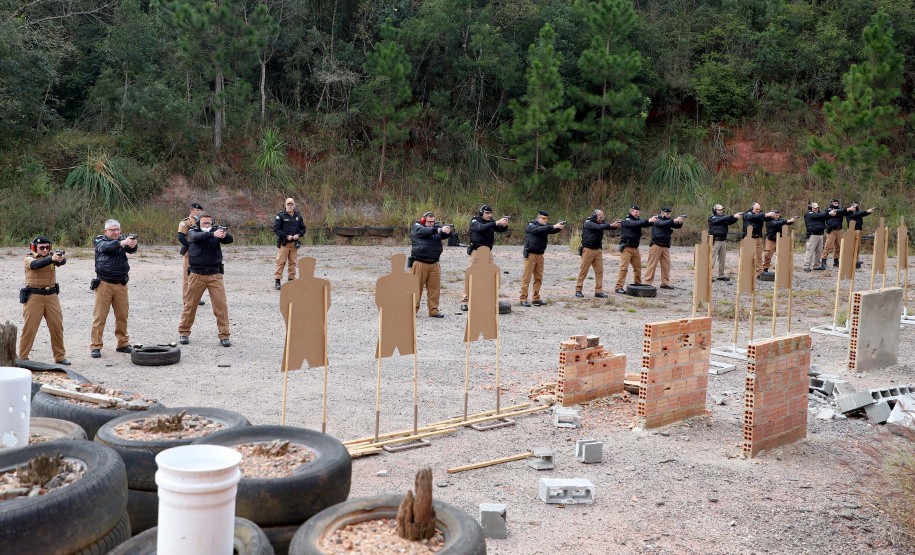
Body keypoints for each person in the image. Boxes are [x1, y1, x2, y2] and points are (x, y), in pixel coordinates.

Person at [178, 215, 233, 346]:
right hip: (197, 274)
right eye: (204, 223)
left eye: (209, 223)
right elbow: (194, 238)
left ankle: (224, 335)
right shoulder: (193, 230)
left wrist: (223, 234)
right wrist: (212, 234)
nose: (207, 225)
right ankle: (184, 332)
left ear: (212, 223)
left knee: (221, 306)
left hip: (215, 274)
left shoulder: (216, 230)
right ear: (199, 223)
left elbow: (229, 239)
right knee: (190, 305)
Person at [91, 219, 137, 358]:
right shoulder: (100, 241)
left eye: (118, 229)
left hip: (121, 284)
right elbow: (107, 247)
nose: (116, 232)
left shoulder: (121, 240)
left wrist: (133, 244)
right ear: (106, 231)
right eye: (112, 230)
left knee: (122, 316)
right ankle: (96, 346)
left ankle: (122, 343)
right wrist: (122, 243)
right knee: (100, 317)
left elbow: (131, 249)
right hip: (104, 284)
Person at [19, 236, 69, 365]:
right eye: (42, 247)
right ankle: (22, 358)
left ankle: (60, 356)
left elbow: (61, 262)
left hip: (52, 296)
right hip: (34, 296)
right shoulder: (29, 258)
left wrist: (60, 258)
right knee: (30, 329)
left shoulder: (51, 257)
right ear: (34, 247)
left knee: (57, 327)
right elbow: (35, 265)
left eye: (47, 247)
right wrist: (51, 259)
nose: (45, 250)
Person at [460, 205, 509, 311]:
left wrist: (504, 225)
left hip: (487, 251)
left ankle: (489, 299)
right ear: (481, 213)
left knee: (492, 275)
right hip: (476, 251)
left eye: (490, 213)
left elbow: (499, 229)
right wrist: (496, 223)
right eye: (487, 213)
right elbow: (481, 228)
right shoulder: (475, 221)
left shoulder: (490, 221)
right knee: (471, 275)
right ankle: (465, 301)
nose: (489, 215)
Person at [409, 212, 452, 318]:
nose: (431, 224)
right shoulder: (417, 227)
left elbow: (444, 235)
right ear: (423, 220)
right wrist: (438, 230)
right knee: (415, 289)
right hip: (420, 263)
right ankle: (411, 310)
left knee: (434, 289)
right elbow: (423, 231)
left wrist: (447, 231)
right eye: (429, 222)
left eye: (433, 221)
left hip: (434, 263)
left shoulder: (436, 228)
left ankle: (433, 310)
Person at [520, 211, 564, 307]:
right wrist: (553, 226)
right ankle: (523, 298)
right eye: (544, 218)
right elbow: (538, 230)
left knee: (538, 278)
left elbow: (551, 230)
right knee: (526, 278)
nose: (545, 220)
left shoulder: (544, 227)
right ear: (539, 218)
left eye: (547, 219)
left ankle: (536, 298)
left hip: (540, 255)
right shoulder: (531, 225)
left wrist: (559, 227)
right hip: (531, 254)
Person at [575, 210, 620, 298]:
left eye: (603, 217)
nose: (602, 219)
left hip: (598, 250)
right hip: (588, 250)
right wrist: (610, 225)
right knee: (583, 271)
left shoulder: (601, 221)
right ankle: (578, 289)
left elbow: (606, 226)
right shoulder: (588, 222)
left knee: (599, 271)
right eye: (600, 217)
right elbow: (597, 227)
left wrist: (615, 225)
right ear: (595, 217)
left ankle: (598, 291)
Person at [614, 205, 657, 294]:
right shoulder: (626, 220)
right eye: (635, 212)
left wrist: (651, 221)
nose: (637, 214)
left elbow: (643, 224)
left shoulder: (638, 220)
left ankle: (638, 286)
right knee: (624, 268)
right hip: (626, 247)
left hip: (635, 248)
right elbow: (634, 224)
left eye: (638, 212)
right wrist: (648, 220)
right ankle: (618, 287)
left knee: (638, 268)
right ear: (631, 212)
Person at [644, 208, 684, 290]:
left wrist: (680, 222)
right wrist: (675, 220)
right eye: (667, 214)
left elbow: (676, 226)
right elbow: (662, 224)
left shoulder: (668, 220)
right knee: (652, 265)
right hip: (656, 245)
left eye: (669, 214)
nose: (669, 215)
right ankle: (647, 283)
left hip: (665, 246)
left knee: (666, 266)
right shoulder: (656, 219)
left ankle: (665, 283)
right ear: (662, 213)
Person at [273, 198, 306, 290]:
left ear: (294, 205)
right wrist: (286, 236)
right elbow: (276, 229)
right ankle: (278, 280)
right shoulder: (281, 216)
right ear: (285, 205)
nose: (290, 206)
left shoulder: (298, 216)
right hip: (284, 243)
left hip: (294, 244)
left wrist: (298, 235)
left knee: (293, 263)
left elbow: (303, 228)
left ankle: (291, 280)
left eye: (291, 204)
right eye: (288, 204)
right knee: (281, 262)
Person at [178, 202, 205, 306]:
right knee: (187, 275)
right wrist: (191, 247)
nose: (198, 212)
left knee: (198, 275)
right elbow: (181, 237)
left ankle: (196, 298)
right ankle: (186, 298)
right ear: (191, 211)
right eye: (196, 210)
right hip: (190, 251)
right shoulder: (186, 222)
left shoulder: (201, 222)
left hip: (199, 251)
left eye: (199, 211)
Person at [708, 204, 743, 281]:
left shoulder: (722, 218)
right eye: (719, 210)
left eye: (721, 210)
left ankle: (721, 275)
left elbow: (729, 221)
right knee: (712, 259)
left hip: (722, 240)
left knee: (722, 259)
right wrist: (733, 215)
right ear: (715, 210)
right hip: (715, 240)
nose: (720, 211)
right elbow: (722, 219)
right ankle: (708, 275)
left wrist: (736, 218)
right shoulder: (712, 218)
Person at [742, 203, 776, 276]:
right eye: (756, 209)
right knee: (748, 256)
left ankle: (759, 272)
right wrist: (765, 214)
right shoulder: (747, 214)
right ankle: (746, 271)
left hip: (758, 237)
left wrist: (772, 216)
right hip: (749, 237)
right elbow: (753, 217)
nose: (758, 211)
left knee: (759, 256)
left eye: (759, 209)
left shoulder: (759, 215)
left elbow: (767, 218)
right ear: (752, 208)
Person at [803, 202, 838, 271]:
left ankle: (817, 265)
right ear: (811, 208)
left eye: (817, 208)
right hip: (812, 234)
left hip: (820, 234)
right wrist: (829, 213)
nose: (816, 209)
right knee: (810, 250)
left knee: (819, 251)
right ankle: (806, 265)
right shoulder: (809, 214)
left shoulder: (820, 214)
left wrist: (831, 214)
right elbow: (818, 215)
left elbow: (825, 216)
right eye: (814, 208)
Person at [821, 199, 851, 268]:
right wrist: (847, 209)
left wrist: (851, 209)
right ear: (831, 203)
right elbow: (837, 212)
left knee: (838, 246)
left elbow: (846, 213)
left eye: (837, 203)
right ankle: (823, 261)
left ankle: (836, 261)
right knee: (828, 246)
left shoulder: (840, 210)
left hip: (838, 230)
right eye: (835, 203)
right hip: (831, 230)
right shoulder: (828, 210)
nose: (836, 204)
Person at [846, 202, 876, 269]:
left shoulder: (858, 212)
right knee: (851, 247)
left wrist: (869, 212)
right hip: (851, 231)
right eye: (854, 206)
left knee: (857, 247)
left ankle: (856, 260)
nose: (856, 207)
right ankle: (849, 261)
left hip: (858, 230)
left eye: (857, 206)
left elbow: (862, 213)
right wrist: (867, 211)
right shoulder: (849, 212)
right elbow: (857, 214)